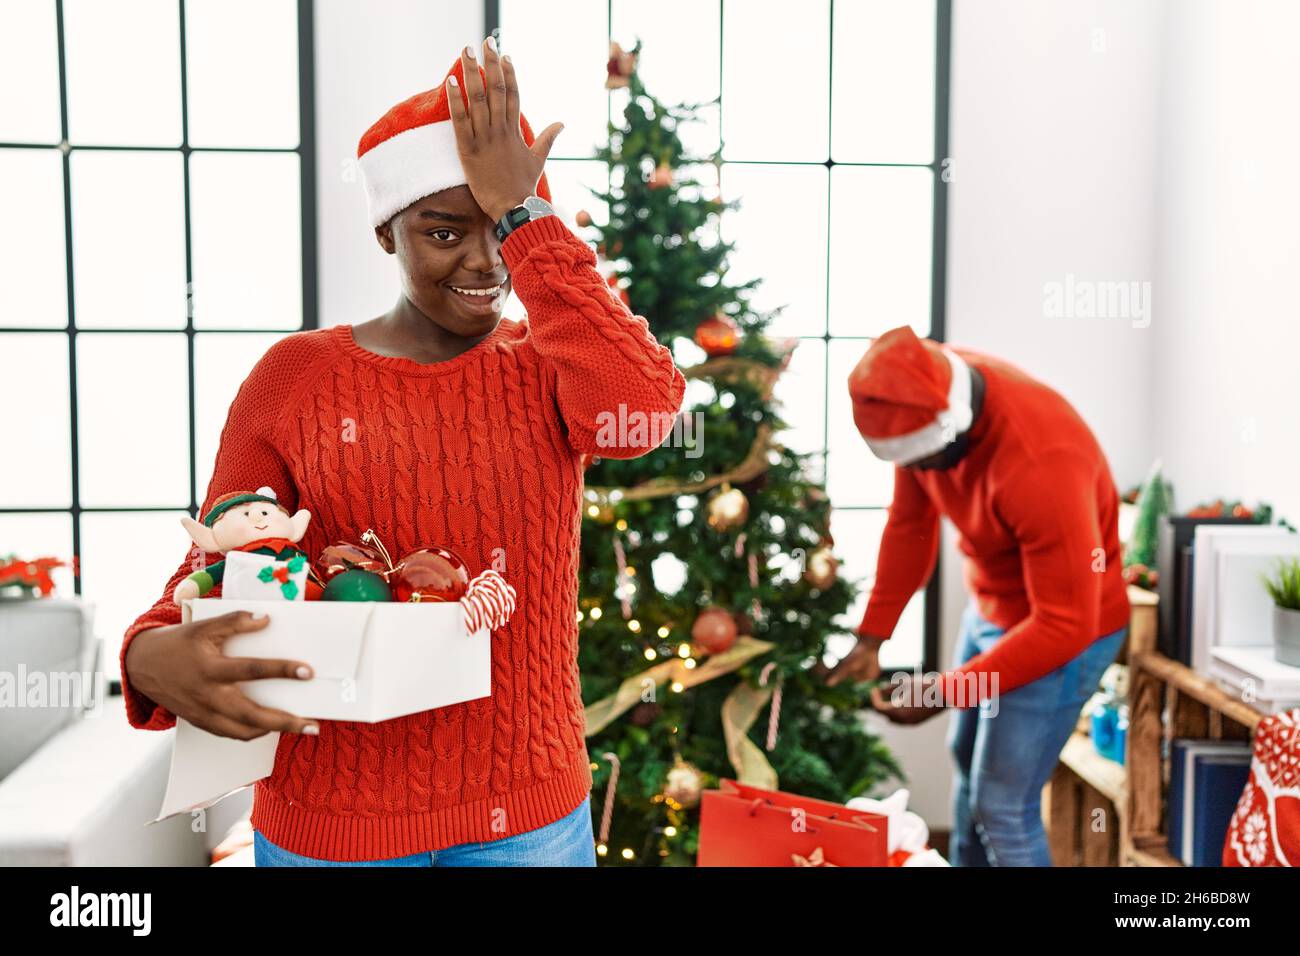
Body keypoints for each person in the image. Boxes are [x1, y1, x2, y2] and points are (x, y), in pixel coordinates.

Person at [120, 38, 685, 867]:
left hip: (527, 820)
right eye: (445, 230)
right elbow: (222, 549)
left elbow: (642, 407)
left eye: (500, 228)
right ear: (386, 231)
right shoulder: (293, 378)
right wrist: (146, 651)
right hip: (331, 826)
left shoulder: (547, 368)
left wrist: (529, 216)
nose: (484, 261)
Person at [826, 326, 1129, 867]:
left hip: (1064, 633)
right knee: (966, 761)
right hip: (992, 608)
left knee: (1002, 807)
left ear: (954, 423)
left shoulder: (1043, 461)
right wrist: (872, 636)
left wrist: (944, 691)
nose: (924, 476)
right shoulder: (911, 394)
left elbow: (1064, 624)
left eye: (929, 462)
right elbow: (909, 527)